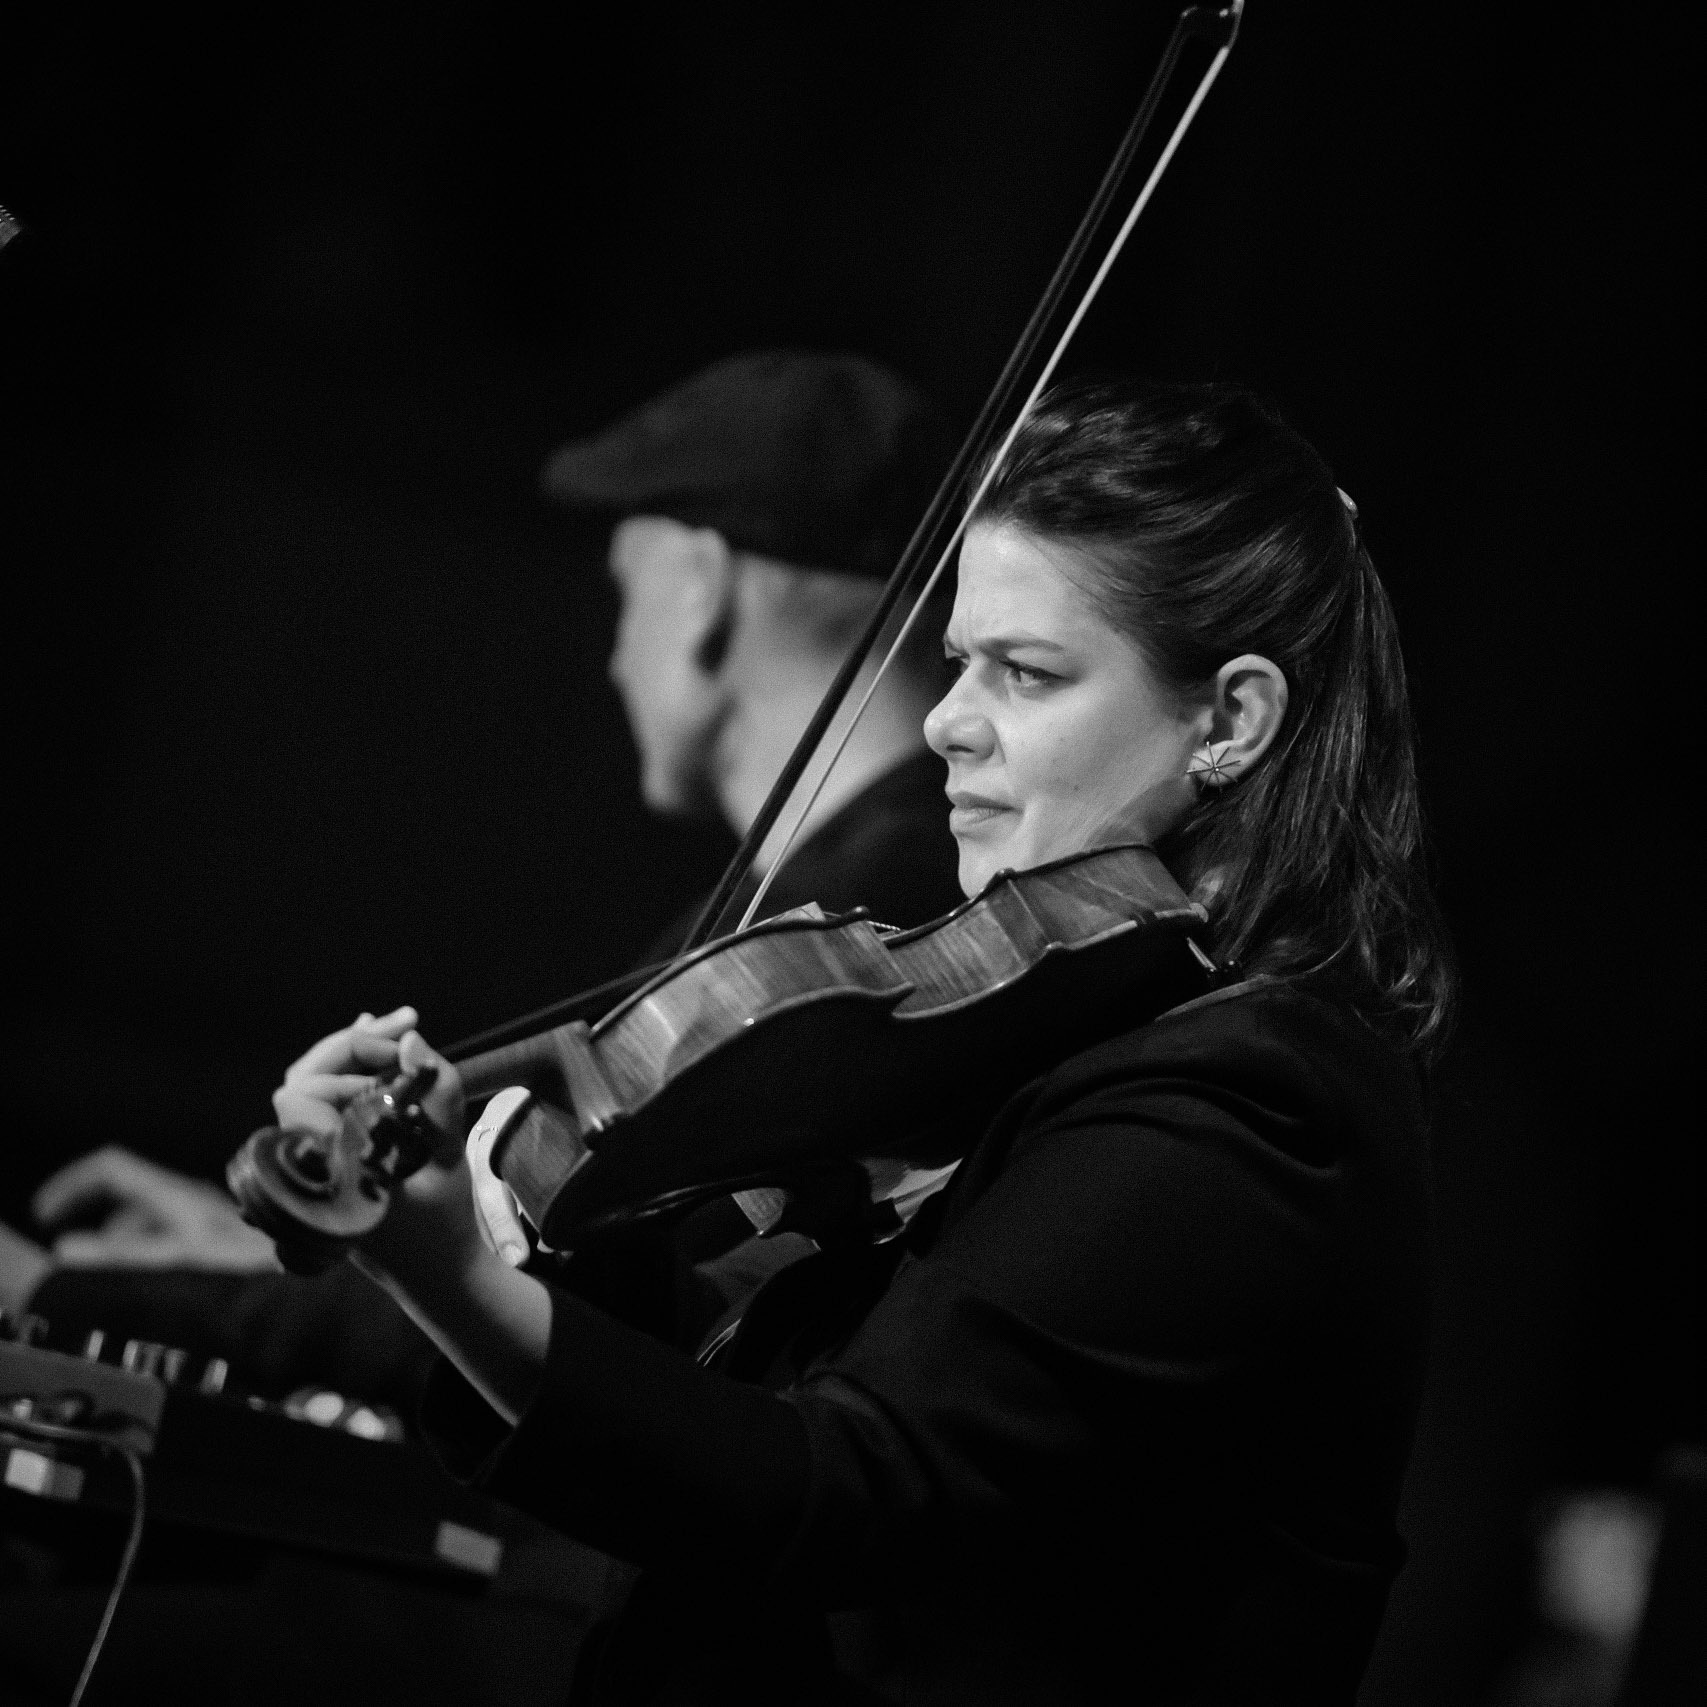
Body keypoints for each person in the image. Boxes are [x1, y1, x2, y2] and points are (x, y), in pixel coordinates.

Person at [265, 375, 1454, 1703]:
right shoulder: (1073, 1027)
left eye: (1025, 670)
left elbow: (836, 1489)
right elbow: (719, 1393)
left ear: (1228, 720)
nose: (947, 717)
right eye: (958, 656)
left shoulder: (1253, 1105)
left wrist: (445, 1272)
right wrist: (495, 1230)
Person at [0, 348, 962, 1401]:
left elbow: (563, 1326)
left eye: (623, 588)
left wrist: (55, 1294)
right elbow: (550, 1263)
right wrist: (264, 1251)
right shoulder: (872, 894)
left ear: (699, 587)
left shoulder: (840, 928)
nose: (610, 659)